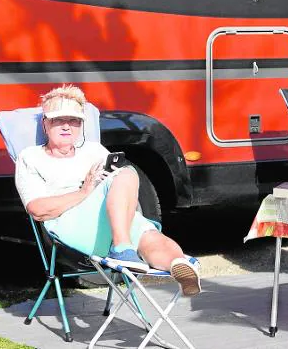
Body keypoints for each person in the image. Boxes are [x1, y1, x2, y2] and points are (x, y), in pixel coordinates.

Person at [15, 85, 200, 296]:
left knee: (148, 233)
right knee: (125, 174)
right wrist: (84, 192)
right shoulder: (31, 157)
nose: (67, 126)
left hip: (112, 218)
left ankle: (180, 265)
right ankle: (122, 248)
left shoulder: (93, 150)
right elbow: (37, 210)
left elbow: (121, 188)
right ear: (45, 124)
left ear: (82, 125)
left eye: (74, 121)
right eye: (58, 120)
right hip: (70, 223)